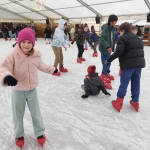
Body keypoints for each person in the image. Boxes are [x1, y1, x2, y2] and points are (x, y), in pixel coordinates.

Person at [0, 28, 58, 149]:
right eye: (24, 41)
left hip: (32, 91)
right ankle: (19, 135)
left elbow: (42, 66)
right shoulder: (13, 55)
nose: (26, 45)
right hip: (18, 91)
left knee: (36, 113)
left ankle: (40, 132)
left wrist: (53, 69)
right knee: (18, 114)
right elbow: (4, 67)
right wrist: (7, 76)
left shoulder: (35, 56)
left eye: (29, 42)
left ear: (33, 43)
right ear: (19, 41)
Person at [105, 22, 145, 112]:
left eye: (120, 32)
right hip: (138, 65)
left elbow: (119, 52)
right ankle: (135, 102)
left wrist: (109, 60)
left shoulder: (122, 38)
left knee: (124, 84)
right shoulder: (138, 38)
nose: (120, 34)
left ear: (123, 31)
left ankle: (118, 103)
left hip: (128, 66)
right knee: (136, 84)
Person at [99, 14, 118, 84]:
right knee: (105, 62)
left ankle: (106, 73)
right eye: (115, 21)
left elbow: (111, 38)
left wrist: (113, 46)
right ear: (111, 21)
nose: (116, 23)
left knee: (109, 62)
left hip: (109, 49)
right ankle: (103, 75)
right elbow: (102, 39)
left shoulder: (112, 28)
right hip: (105, 49)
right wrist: (107, 46)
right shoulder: (105, 28)